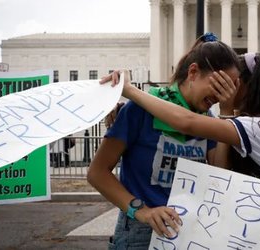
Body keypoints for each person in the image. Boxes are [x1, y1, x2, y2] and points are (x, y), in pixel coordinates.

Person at [110, 52, 260, 250]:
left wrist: (131, 91)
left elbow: (187, 122)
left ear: (246, 86)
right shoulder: (255, 125)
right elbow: (220, 173)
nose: (225, 90)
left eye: (232, 82)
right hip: (243, 229)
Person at [87, 33, 240, 250]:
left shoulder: (208, 122)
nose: (222, 95)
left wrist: (226, 114)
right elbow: (97, 172)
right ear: (193, 72)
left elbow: (220, 174)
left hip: (188, 229)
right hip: (141, 231)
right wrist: (141, 211)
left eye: (230, 88)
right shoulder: (139, 110)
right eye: (219, 84)